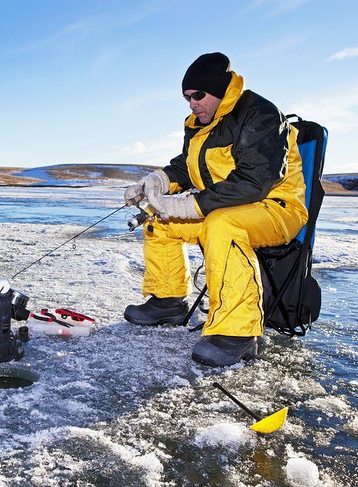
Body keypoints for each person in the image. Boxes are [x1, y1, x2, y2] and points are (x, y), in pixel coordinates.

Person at [123, 52, 308, 367]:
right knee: (159, 221)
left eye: (198, 95)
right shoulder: (198, 124)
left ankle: (237, 333)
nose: (192, 103)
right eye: (187, 98)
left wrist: (190, 204)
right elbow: (188, 166)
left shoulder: (259, 114)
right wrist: (157, 182)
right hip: (226, 205)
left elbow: (254, 182)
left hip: (276, 209)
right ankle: (168, 300)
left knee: (222, 225)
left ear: (220, 90)